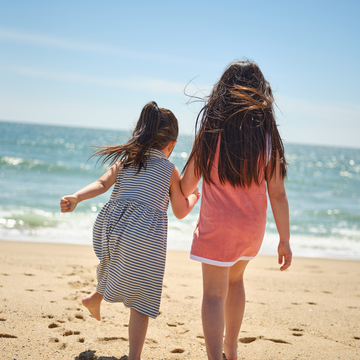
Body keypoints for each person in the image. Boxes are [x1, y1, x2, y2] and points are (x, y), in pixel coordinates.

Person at [60, 101, 200, 360]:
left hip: (113, 226)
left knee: (114, 261)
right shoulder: (169, 169)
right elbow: (180, 211)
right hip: (145, 234)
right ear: (171, 145)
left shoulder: (127, 160)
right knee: (142, 299)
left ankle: (95, 297)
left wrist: (76, 197)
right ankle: (134, 356)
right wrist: (194, 198)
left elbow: (102, 184)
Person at [180, 60, 292, 360]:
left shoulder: (210, 132)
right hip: (251, 229)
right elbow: (278, 193)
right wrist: (285, 239)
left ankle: (216, 356)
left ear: (222, 93)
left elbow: (188, 183)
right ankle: (231, 349)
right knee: (236, 280)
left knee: (214, 295)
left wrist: (167, 180)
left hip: (217, 228)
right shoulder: (268, 140)